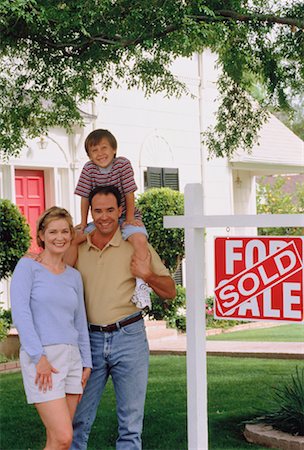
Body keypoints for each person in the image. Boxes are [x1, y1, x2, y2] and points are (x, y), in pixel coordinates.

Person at [69, 185, 176, 450]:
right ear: (90, 212)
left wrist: (148, 275)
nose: (104, 217)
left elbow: (170, 291)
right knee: (77, 421)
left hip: (129, 338)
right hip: (88, 341)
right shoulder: (78, 247)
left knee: (130, 426)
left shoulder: (136, 244)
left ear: (120, 211)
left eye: (109, 210)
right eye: (98, 211)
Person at [10, 207, 92, 450]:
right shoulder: (27, 268)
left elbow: (80, 321)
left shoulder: (74, 276)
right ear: (42, 235)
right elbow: (21, 314)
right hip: (44, 360)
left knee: (59, 441)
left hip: (73, 360)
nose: (60, 237)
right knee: (64, 436)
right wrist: (39, 357)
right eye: (53, 231)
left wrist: (86, 362)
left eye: (65, 231)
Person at [74, 128, 151, 309]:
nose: (100, 153)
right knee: (74, 239)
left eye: (104, 148)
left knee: (139, 239)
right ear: (89, 155)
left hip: (125, 214)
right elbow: (85, 197)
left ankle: (141, 285)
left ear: (114, 149)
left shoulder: (122, 165)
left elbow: (129, 193)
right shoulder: (88, 169)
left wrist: (130, 218)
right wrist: (84, 222)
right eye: (94, 150)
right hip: (101, 219)